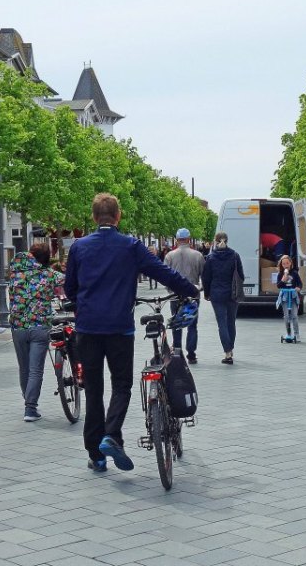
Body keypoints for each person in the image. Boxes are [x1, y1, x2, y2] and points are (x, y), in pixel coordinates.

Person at [64, 193, 198, 473]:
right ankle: (112, 435)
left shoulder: (79, 247)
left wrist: (82, 303)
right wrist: (190, 290)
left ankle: (96, 456)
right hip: (118, 328)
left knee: (93, 390)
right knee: (121, 385)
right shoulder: (130, 246)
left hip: (87, 328)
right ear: (118, 216)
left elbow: (70, 289)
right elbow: (163, 273)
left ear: (93, 217)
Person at [8, 242, 65, 422]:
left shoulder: (15, 272)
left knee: (24, 368)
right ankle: (30, 408)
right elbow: (69, 280)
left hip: (18, 326)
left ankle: (28, 400)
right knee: (35, 370)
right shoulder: (48, 274)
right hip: (40, 326)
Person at [201, 231, 244, 364]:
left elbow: (206, 277)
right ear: (227, 240)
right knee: (231, 322)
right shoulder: (235, 255)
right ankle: (231, 348)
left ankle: (227, 352)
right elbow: (241, 275)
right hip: (232, 293)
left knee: (222, 323)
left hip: (217, 294)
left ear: (215, 240)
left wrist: (207, 293)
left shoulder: (211, 257)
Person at [164, 227, 205, 363]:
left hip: (175, 295)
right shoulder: (197, 255)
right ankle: (191, 354)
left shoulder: (170, 256)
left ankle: (177, 351)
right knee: (192, 325)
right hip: (192, 295)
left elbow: (164, 276)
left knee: (177, 324)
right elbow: (203, 275)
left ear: (177, 240)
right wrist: (200, 288)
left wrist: (170, 290)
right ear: (188, 239)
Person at [274, 255, 302, 342]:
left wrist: (298, 288)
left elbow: (299, 283)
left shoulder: (294, 273)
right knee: (286, 316)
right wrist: (284, 278)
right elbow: (278, 285)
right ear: (281, 265)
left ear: (290, 263)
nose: (286, 265)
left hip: (293, 295)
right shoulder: (280, 274)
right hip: (285, 296)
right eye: (284, 263)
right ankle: (288, 333)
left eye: (287, 263)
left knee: (294, 315)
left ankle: (296, 334)